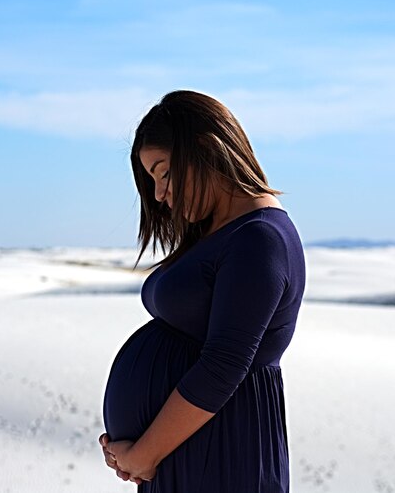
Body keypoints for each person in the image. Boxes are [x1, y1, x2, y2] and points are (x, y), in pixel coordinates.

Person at [99, 90, 306, 492]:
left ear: (205, 149)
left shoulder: (259, 237)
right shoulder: (222, 233)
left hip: (222, 450)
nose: (159, 195)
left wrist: (144, 454)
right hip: (188, 451)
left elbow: (223, 365)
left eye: (163, 172)